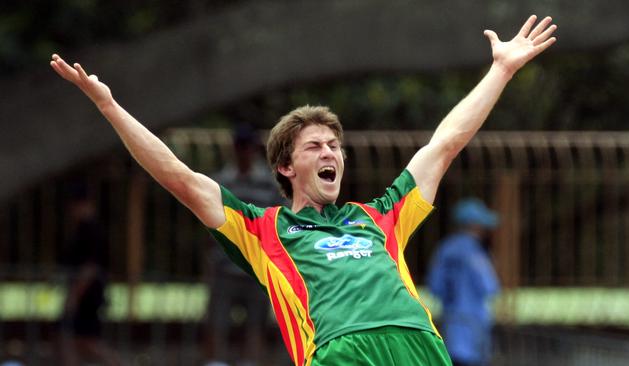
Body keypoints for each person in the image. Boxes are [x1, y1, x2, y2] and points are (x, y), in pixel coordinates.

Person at [50, 15, 556, 366]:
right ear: (286, 167)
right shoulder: (262, 228)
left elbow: (444, 145)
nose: (331, 152)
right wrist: (109, 107)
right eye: (315, 146)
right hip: (341, 350)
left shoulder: (380, 215)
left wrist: (501, 69)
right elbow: (180, 177)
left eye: (335, 145)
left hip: (418, 344)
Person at [202, 124, 286, 366]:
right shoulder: (221, 181)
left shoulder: (269, 184)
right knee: (216, 323)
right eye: (240, 148)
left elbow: (278, 221)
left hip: (256, 267)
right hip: (223, 266)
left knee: (256, 325)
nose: (243, 153)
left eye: (247, 148)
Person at [427, 198, 501, 366]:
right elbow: (490, 287)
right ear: (475, 225)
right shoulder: (475, 253)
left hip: (451, 326)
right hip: (475, 327)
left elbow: (435, 286)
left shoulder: (445, 249)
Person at [58, 181, 122, 366]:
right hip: (84, 293)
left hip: (88, 295)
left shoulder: (91, 230)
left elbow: (90, 268)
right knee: (72, 340)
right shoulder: (83, 228)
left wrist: (75, 295)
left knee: (83, 341)